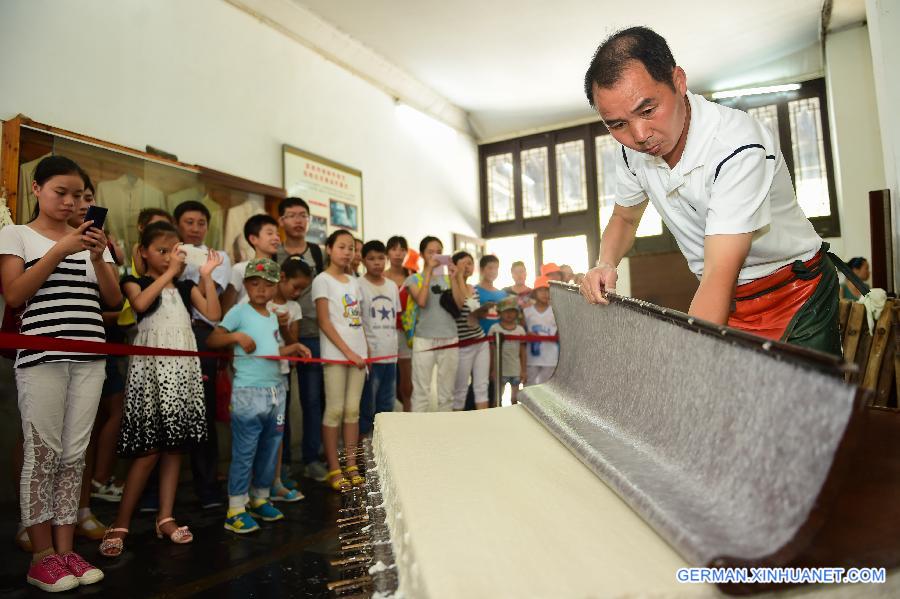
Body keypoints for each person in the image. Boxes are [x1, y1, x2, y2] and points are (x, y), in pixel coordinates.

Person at [580, 27, 841, 356]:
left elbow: (720, 272)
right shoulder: (631, 152)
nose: (639, 134)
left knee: (800, 406)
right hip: (724, 294)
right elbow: (625, 217)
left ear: (678, 81)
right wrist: (605, 263)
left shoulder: (736, 147)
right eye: (617, 124)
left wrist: (691, 363)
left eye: (647, 110)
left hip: (794, 292)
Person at [0, 155, 121, 591]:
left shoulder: (88, 242)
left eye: (77, 195)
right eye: (60, 192)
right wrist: (58, 250)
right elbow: (15, 294)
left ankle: (67, 551)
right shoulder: (16, 235)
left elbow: (113, 301)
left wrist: (99, 254)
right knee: (42, 454)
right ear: (36, 189)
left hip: (90, 356)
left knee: (74, 453)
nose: (70, 202)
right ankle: (41, 556)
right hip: (41, 357)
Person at [99, 221, 223, 557]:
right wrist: (171, 273)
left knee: (175, 449)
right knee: (148, 451)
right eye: (162, 251)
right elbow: (140, 306)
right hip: (152, 374)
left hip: (182, 372)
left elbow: (213, 313)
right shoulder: (134, 281)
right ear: (143, 252)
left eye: (175, 251)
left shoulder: (184, 288)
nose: (170, 258)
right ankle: (121, 521)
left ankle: (165, 517)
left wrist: (206, 274)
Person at [208, 258, 310, 533]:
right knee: (245, 450)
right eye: (255, 284)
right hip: (248, 392)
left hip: (276, 390)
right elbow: (213, 339)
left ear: (276, 287)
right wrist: (236, 338)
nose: (261, 290)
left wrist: (295, 347)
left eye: (267, 285)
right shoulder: (239, 312)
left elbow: (273, 350)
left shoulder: (274, 316)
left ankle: (260, 497)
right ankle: (236, 508)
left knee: (271, 446)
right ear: (245, 285)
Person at [174, 199, 233, 508]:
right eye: (189, 222)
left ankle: (207, 488)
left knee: (205, 413)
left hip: (201, 333)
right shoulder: (170, 252)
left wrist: (184, 266)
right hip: (167, 334)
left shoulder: (218, 257)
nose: (195, 228)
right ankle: (155, 494)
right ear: (178, 225)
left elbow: (211, 299)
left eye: (201, 223)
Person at [275, 197, 328, 481]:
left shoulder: (318, 253)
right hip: (280, 335)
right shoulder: (274, 253)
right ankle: (281, 465)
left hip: (314, 334)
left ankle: (311, 458)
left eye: (303, 215)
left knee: (312, 400)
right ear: (281, 221)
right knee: (281, 402)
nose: (298, 220)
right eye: (291, 215)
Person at [312, 230, 368, 491]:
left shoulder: (354, 281)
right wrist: (348, 353)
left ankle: (352, 465)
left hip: (359, 358)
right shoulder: (322, 280)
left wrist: (363, 354)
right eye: (342, 247)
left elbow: (361, 322)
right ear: (329, 249)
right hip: (337, 356)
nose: (348, 252)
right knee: (334, 410)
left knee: (352, 411)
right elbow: (324, 322)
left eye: (351, 248)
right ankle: (335, 467)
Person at [269, 256, 310, 503]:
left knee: (279, 428)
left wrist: (282, 325)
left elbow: (292, 342)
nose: (298, 292)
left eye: (302, 289)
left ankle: (279, 476)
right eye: (295, 286)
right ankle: (263, 482)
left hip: (282, 372)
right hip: (258, 374)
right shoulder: (258, 301)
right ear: (282, 277)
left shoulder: (294, 308)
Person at [405, 236, 459, 413]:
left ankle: (446, 435)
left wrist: (456, 278)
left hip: (450, 338)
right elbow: (421, 301)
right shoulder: (414, 280)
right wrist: (428, 272)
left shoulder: (450, 278)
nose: (435, 256)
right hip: (424, 339)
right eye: (431, 252)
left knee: (447, 394)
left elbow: (459, 305)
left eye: (439, 252)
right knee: (421, 393)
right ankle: (416, 436)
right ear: (422, 254)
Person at [358, 240, 401, 436]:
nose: (377, 263)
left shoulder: (392, 286)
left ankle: (384, 445)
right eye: (371, 258)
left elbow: (395, 317)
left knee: (386, 404)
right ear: (363, 260)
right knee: (367, 405)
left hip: (390, 355)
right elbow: (356, 320)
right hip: (370, 356)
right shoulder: (358, 285)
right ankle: (364, 448)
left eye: (381, 258)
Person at [451, 251, 492, 410]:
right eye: (464, 263)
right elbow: (462, 305)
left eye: (470, 263)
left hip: (480, 340)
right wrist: (458, 277)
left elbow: (472, 312)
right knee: (460, 390)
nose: (468, 266)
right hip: (462, 343)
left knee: (482, 386)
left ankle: (484, 426)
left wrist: (483, 311)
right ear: (455, 265)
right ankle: (457, 429)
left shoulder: (472, 288)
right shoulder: (451, 285)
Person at [224, 213, 281, 308]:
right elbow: (227, 306)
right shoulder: (240, 269)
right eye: (270, 233)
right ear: (253, 239)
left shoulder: (279, 270)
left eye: (277, 234)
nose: (276, 238)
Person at [385, 235, 413, 412]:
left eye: (402, 249)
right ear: (387, 252)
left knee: (407, 380)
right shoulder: (379, 276)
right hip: (384, 332)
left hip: (407, 333)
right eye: (394, 249)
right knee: (386, 379)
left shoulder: (412, 276)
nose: (398, 253)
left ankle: (408, 414)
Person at [489, 296, 527, 405]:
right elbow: (491, 351)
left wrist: (523, 370)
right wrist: (491, 369)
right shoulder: (495, 328)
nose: (509, 314)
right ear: (499, 313)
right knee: (497, 399)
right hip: (499, 370)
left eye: (512, 311)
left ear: (516, 313)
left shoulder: (520, 330)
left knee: (515, 399)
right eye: (505, 311)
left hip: (515, 370)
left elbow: (523, 352)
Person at [524, 276, 559, 386]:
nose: (545, 294)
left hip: (550, 357)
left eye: (547, 290)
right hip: (531, 357)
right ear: (535, 292)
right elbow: (521, 331)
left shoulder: (555, 311)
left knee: (546, 388)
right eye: (541, 290)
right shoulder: (527, 311)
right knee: (529, 386)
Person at [475, 255, 508, 335]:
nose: (493, 271)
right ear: (481, 270)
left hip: (499, 338)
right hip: (479, 339)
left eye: (496, 268)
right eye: (490, 268)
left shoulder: (503, 294)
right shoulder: (473, 291)